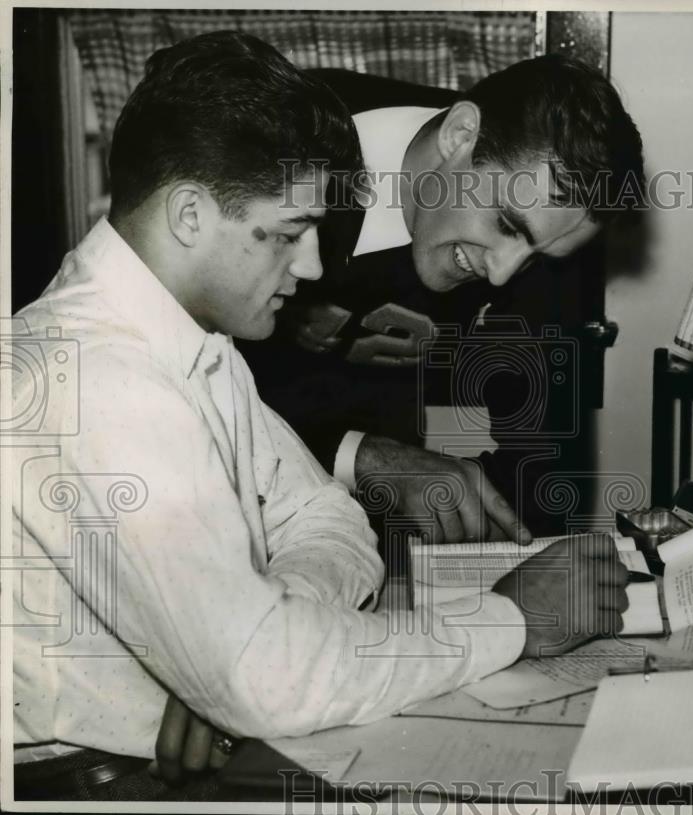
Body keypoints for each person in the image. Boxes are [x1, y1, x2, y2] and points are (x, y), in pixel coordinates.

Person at [10, 31, 629, 799]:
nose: (308, 269)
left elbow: (331, 521)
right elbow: (262, 672)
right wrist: (508, 621)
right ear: (192, 216)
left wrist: (226, 648)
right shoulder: (100, 377)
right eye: (291, 233)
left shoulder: (196, 343)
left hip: (233, 729)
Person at [241, 56, 647, 543]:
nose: (502, 276)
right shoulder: (261, 140)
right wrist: (362, 457)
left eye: (538, 257)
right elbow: (178, 400)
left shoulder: (549, 224)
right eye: (505, 224)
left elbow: (546, 473)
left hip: (373, 541)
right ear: (459, 136)